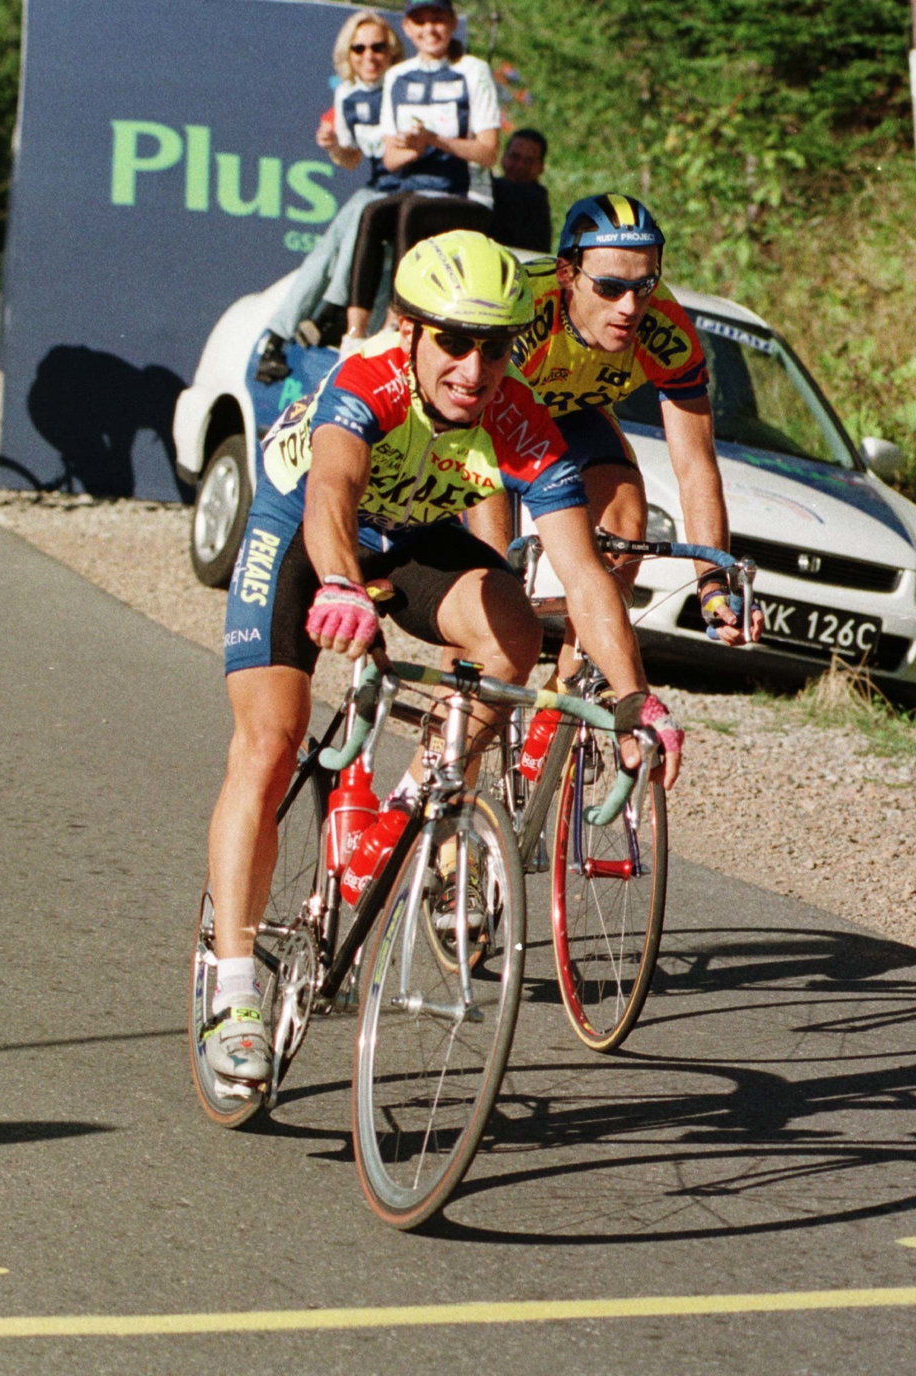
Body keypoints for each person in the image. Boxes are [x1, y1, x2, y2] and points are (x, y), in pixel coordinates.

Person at [201, 230, 685, 1085]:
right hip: (300, 535)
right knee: (272, 744)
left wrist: (634, 698)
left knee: (515, 632)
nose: (474, 369)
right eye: (454, 343)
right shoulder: (368, 382)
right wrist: (343, 587)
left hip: (408, 535)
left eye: (496, 348)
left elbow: (582, 572)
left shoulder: (517, 417)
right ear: (407, 329)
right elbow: (333, 494)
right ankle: (234, 992)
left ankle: (423, 791)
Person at [469, 191, 763, 649]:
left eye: (644, 286)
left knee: (623, 530)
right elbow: (474, 436)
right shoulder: (523, 309)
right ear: (567, 274)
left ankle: (567, 699)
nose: (629, 306)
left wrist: (713, 585)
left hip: (574, 417)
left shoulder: (667, 331)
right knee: (491, 602)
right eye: (609, 288)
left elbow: (696, 468)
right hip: (485, 424)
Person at [254, 10, 403, 383]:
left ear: (392, 52)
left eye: (378, 48)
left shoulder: (405, 88)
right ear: (348, 56)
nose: (369, 56)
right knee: (334, 238)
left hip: (413, 191)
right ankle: (280, 334)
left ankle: (331, 312)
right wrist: (333, 144)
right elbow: (351, 158)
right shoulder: (350, 95)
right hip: (381, 188)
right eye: (360, 49)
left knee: (362, 213)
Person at [342, 0, 501, 346]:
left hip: (467, 196)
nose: (431, 30)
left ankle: (397, 320)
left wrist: (436, 140)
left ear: (453, 23)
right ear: (408, 28)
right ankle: (353, 332)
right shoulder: (398, 76)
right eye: (422, 22)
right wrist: (413, 145)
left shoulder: (472, 70)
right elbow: (390, 159)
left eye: (438, 20)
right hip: (417, 189)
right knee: (372, 213)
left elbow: (489, 152)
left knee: (410, 211)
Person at [489, 127, 552, 254]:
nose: (520, 166)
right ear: (503, 157)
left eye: (529, 161)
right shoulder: (488, 190)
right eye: (515, 157)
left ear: (541, 167)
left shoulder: (536, 199)